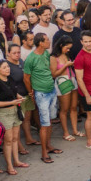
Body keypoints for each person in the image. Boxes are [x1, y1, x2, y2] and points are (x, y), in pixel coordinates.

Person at [22, 33, 60, 164]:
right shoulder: (30, 58)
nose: (49, 41)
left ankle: (48, 146)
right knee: (44, 124)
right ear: (41, 43)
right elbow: (26, 78)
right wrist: (31, 93)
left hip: (51, 90)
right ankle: (44, 152)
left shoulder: (45, 53)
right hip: (41, 94)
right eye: (47, 40)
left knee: (49, 121)